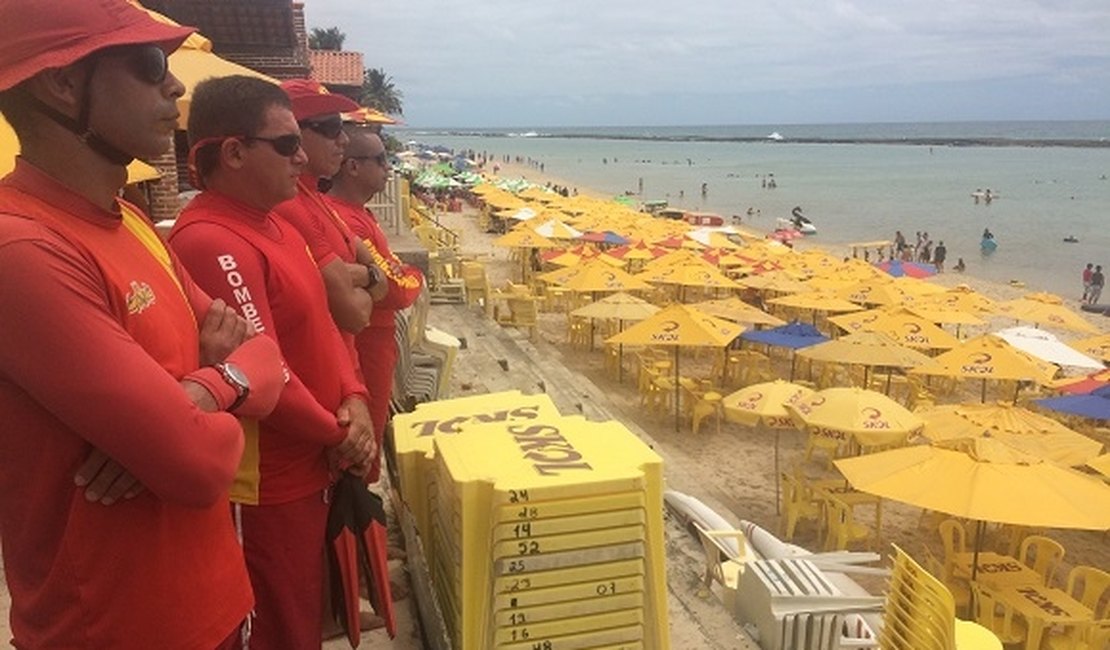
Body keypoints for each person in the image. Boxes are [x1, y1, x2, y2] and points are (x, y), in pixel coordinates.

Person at [0, 4, 288, 647]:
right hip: (115, 626)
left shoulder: (129, 220)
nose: (175, 86)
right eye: (150, 65)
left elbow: (270, 358)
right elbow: (196, 466)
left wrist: (197, 394)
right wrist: (193, 415)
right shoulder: (23, 249)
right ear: (63, 84)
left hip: (214, 600)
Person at [169, 75, 377, 649]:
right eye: (287, 144)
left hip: (311, 461)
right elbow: (263, 369)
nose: (303, 157)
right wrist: (339, 432)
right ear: (234, 153)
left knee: (301, 615)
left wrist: (355, 397)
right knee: (275, 626)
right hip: (266, 480)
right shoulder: (212, 240)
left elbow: (326, 329)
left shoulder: (279, 224)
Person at [327, 125, 424, 483]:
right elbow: (394, 289)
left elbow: (386, 276)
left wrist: (393, 273)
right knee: (367, 435)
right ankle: (360, 506)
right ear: (353, 166)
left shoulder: (355, 213)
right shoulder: (348, 220)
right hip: (366, 343)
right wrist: (414, 275)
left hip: (372, 338)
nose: (388, 167)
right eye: (381, 160)